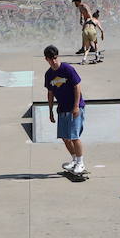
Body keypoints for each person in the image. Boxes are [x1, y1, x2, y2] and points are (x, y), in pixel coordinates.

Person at [43, 45, 86, 174]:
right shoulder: (48, 74)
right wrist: (50, 111)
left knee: (74, 137)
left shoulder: (67, 69)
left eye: (55, 58)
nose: (54, 61)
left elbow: (77, 87)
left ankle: (80, 162)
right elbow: (50, 93)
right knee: (64, 137)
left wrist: (76, 106)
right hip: (62, 108)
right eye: (51, 59)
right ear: (46, 59)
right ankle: (74, 159)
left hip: (75, 107)